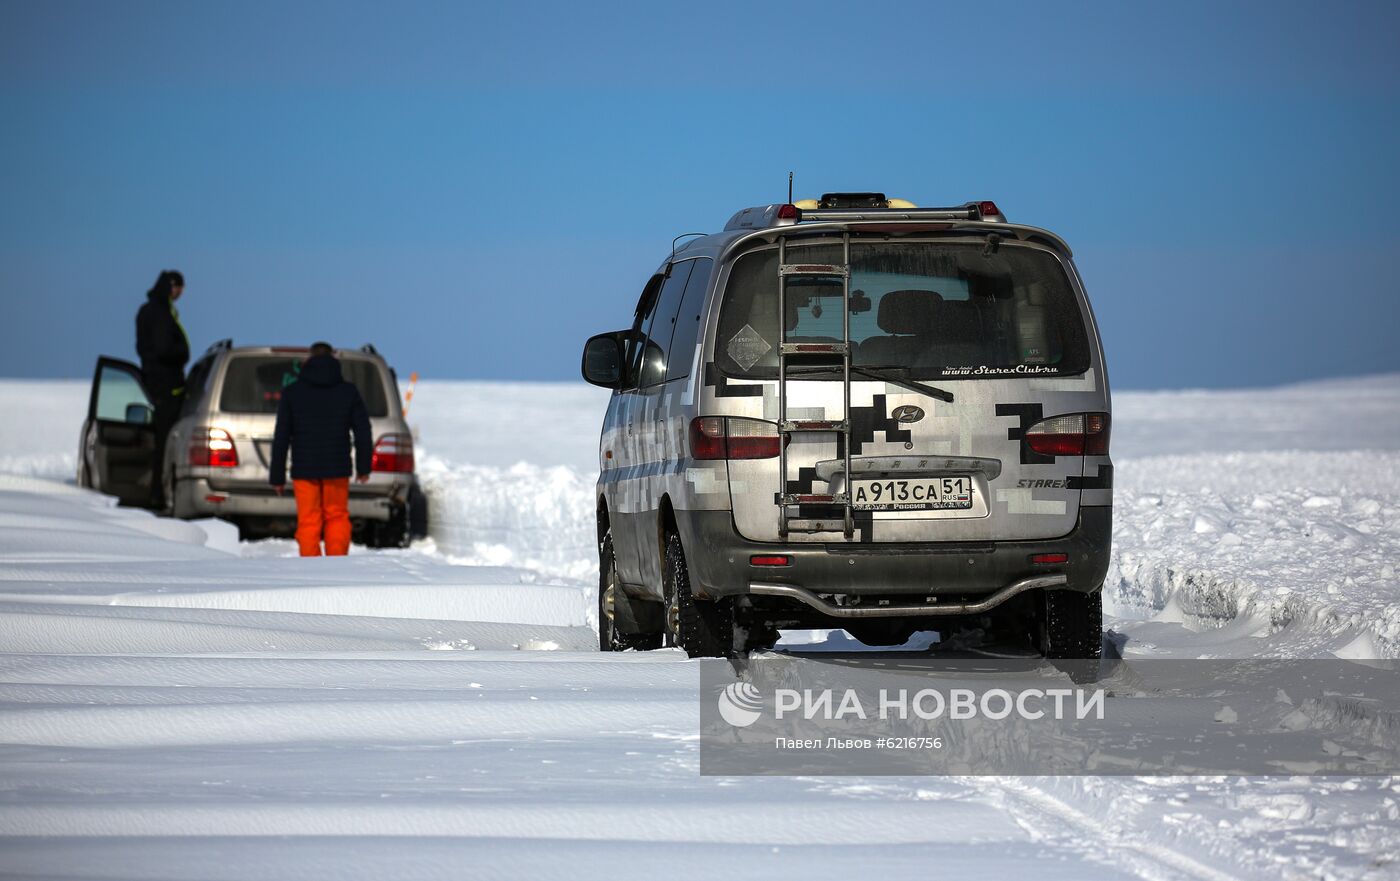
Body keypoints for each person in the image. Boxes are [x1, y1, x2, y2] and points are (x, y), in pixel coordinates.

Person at [268, 342, 373, 557]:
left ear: (308, 360)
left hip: (304, 469)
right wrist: (364, 468)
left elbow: (281, 437)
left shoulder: (292, 393)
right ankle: (336, 565)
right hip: (337, 467)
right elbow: (363, 432)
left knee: (308, 520)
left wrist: (277, 476)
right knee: (337, 516)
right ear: (333, 358)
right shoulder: (348, 391)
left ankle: (311, 568)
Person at [135, 269, 189, 507]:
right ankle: (157, 492)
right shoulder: (159, 313)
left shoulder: (151, 311)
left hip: (157, 383)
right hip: (165, 387)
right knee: (165, 443)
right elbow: (162, 348)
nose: (180, 293)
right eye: (179, 288)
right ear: (172, 287)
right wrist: (180, 354)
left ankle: (156, 490)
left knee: (161, 442)